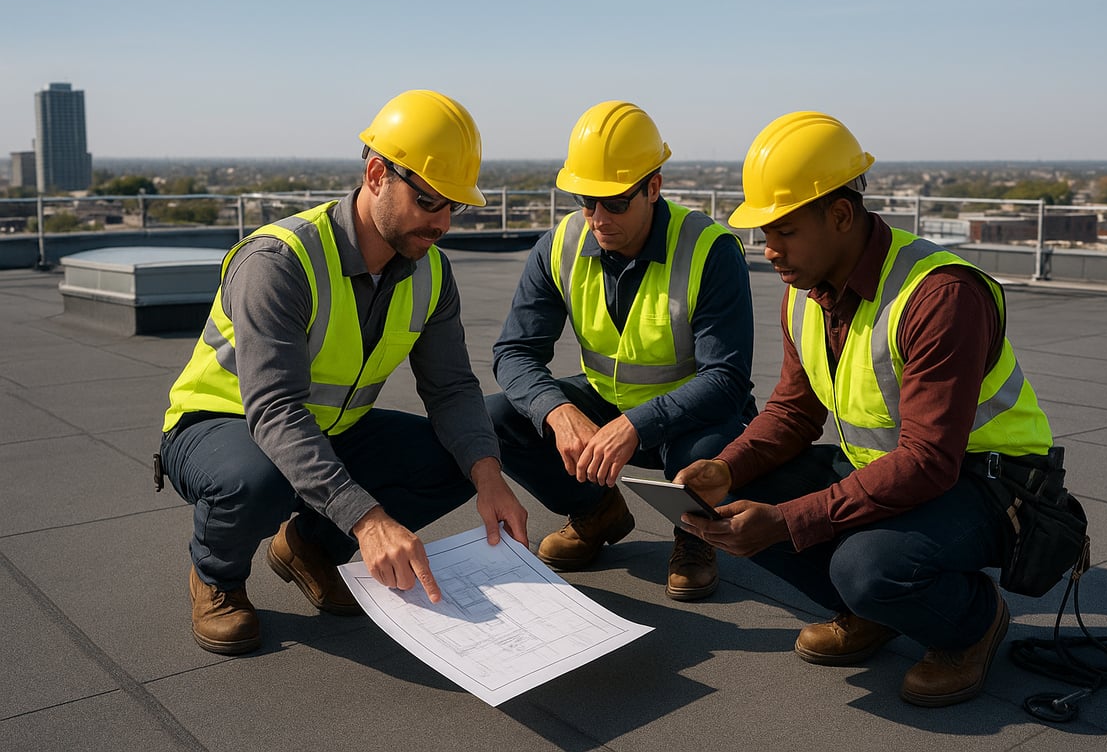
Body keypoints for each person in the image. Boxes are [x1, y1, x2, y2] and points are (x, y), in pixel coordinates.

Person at [677, 111, 1055, 707]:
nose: (768, 250)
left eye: (783, 230)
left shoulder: (940, 296)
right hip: (891, 469)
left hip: (990, 483)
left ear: (841, 215)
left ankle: (972, 624)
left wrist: (788, 521)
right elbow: (793, 414)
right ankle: (873, 613)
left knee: (868, 567)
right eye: (763, 233)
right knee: (743, 493)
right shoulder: (803, 294)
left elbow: (930, 461)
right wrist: (725, 469)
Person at [159, 90, 529, 655]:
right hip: (222, 424)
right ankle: (217, 577)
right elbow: (276, 410)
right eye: (431, 201)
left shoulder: (430, 273)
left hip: (331, 424)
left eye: (456, 206)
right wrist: (369, 520)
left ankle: (307, 547)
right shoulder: (280, 262)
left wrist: (488, 476)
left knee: (466, 454)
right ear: (377, 173)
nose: (444, 223)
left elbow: (452, 387)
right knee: (257, 480)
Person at [487, 100, 756, 601]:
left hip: (694, 417)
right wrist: (560, 411)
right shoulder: (560, 245)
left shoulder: (709, 250)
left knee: (705, 450)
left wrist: (637, 425)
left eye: (614, 202)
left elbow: (726, 380)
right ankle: (596, 511)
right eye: (585, 201)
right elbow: (515, 351)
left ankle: (696, 536)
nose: (596, 217)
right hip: (606, 404)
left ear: (653, 187)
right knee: (498, 416)